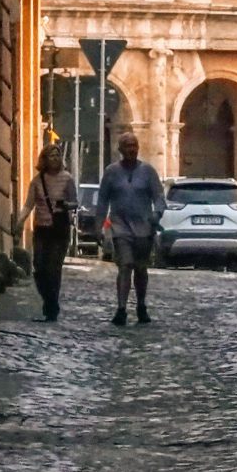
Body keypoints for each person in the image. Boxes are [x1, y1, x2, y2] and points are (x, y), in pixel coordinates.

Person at [96, 128, 167, 327]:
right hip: (120, 227)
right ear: (120, 149)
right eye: (127, 146)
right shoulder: (111, 172)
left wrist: (157, 214)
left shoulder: (148, 172)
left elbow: (159, 197)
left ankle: (141, 305)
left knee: (141, 269)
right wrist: (98, 226)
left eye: (134, 145)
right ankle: (121, 309)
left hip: (144, 228)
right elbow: (102, 201)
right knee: (125, 265)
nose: (131, 149)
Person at [15, 141, 78, 322]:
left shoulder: (67, 178)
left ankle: (51, 307)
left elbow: (75, 202)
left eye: (58, 155)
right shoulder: (37, 181)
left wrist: (66, 205)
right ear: (44, 159)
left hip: (60, 228)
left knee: (53, 268)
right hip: (42, 228)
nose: (55, 158)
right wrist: (20, 221)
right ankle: (48, 300)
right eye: (52, 155)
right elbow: (29, 204)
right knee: (39, 267)